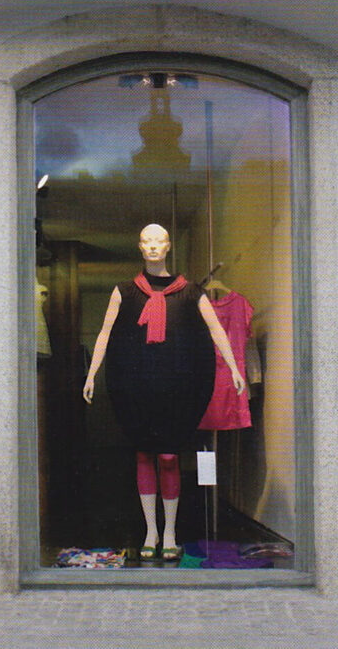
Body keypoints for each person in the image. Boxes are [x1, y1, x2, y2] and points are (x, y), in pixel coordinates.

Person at [83, 224, 245, 561]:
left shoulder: (191, 293)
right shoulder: (124, 292)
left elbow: (216, 330)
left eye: (159, 240)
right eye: (146, 241)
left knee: (170, 457)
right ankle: (150, 531)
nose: (153, 246)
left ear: (168, 246)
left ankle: (169, 532)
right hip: (136, 385)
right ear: (139, 247)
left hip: (177, 387)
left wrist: (233, 367)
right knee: (144, 454)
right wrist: (92, 372)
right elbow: (104, 333)